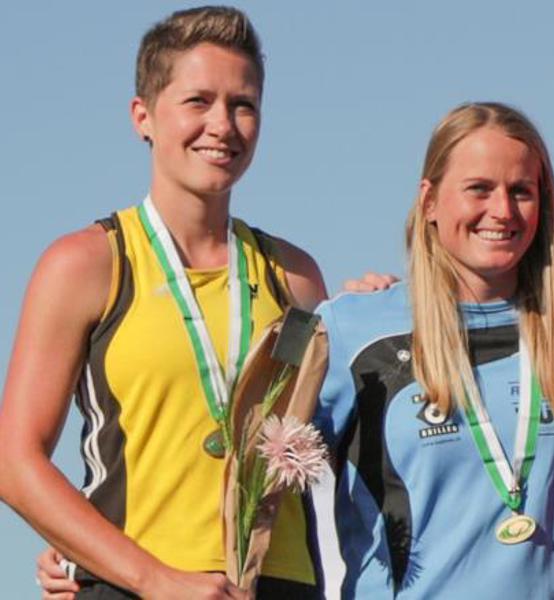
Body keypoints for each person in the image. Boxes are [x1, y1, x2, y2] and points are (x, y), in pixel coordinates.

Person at [0, 7, 326, 599]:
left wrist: (372, 312)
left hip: (279, 584)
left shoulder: (295, 277)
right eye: (198, 101)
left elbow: (320, 433)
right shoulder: (86, 265)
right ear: (143, 117)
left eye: (243, 104)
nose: (222, 124)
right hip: (140, 587)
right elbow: (14, 462)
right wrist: (149, 577)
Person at [315, 102, 554, 598]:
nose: (502, 211)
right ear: (430, 201)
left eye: (521, 191)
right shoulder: (353, 330)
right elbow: (257, 482)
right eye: (479, 188)